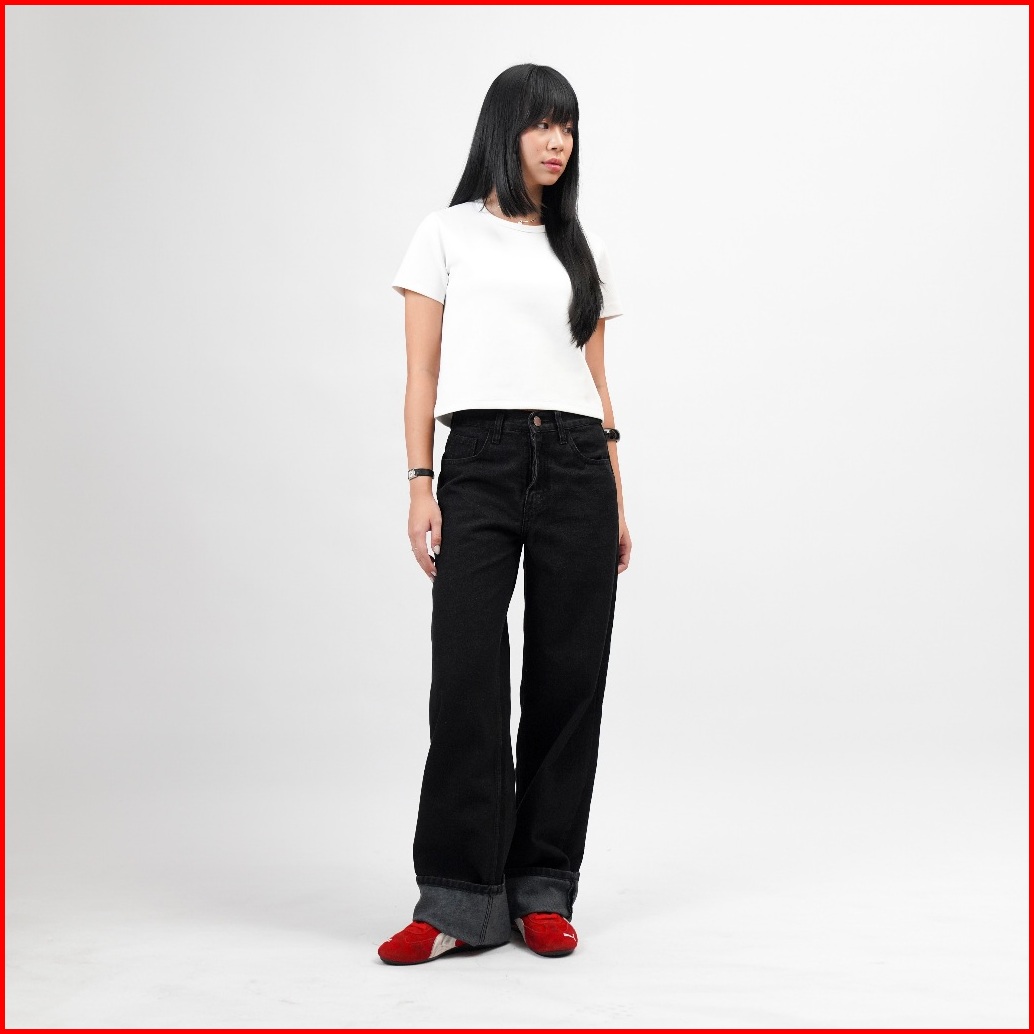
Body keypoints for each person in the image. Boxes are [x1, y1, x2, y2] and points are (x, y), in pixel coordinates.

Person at [379, 63, 632, 966]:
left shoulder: (577, 246)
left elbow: (597, 384)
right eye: (541, 124)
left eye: (568, 126)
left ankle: (542, 888)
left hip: (576, 466)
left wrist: (618, 496)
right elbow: (421, 372)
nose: (558, 141)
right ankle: (459, 898)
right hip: (479, 464)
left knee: (568, 680)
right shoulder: (446, 232)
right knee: (466, 677)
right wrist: (421, 483)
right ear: (505, 130)